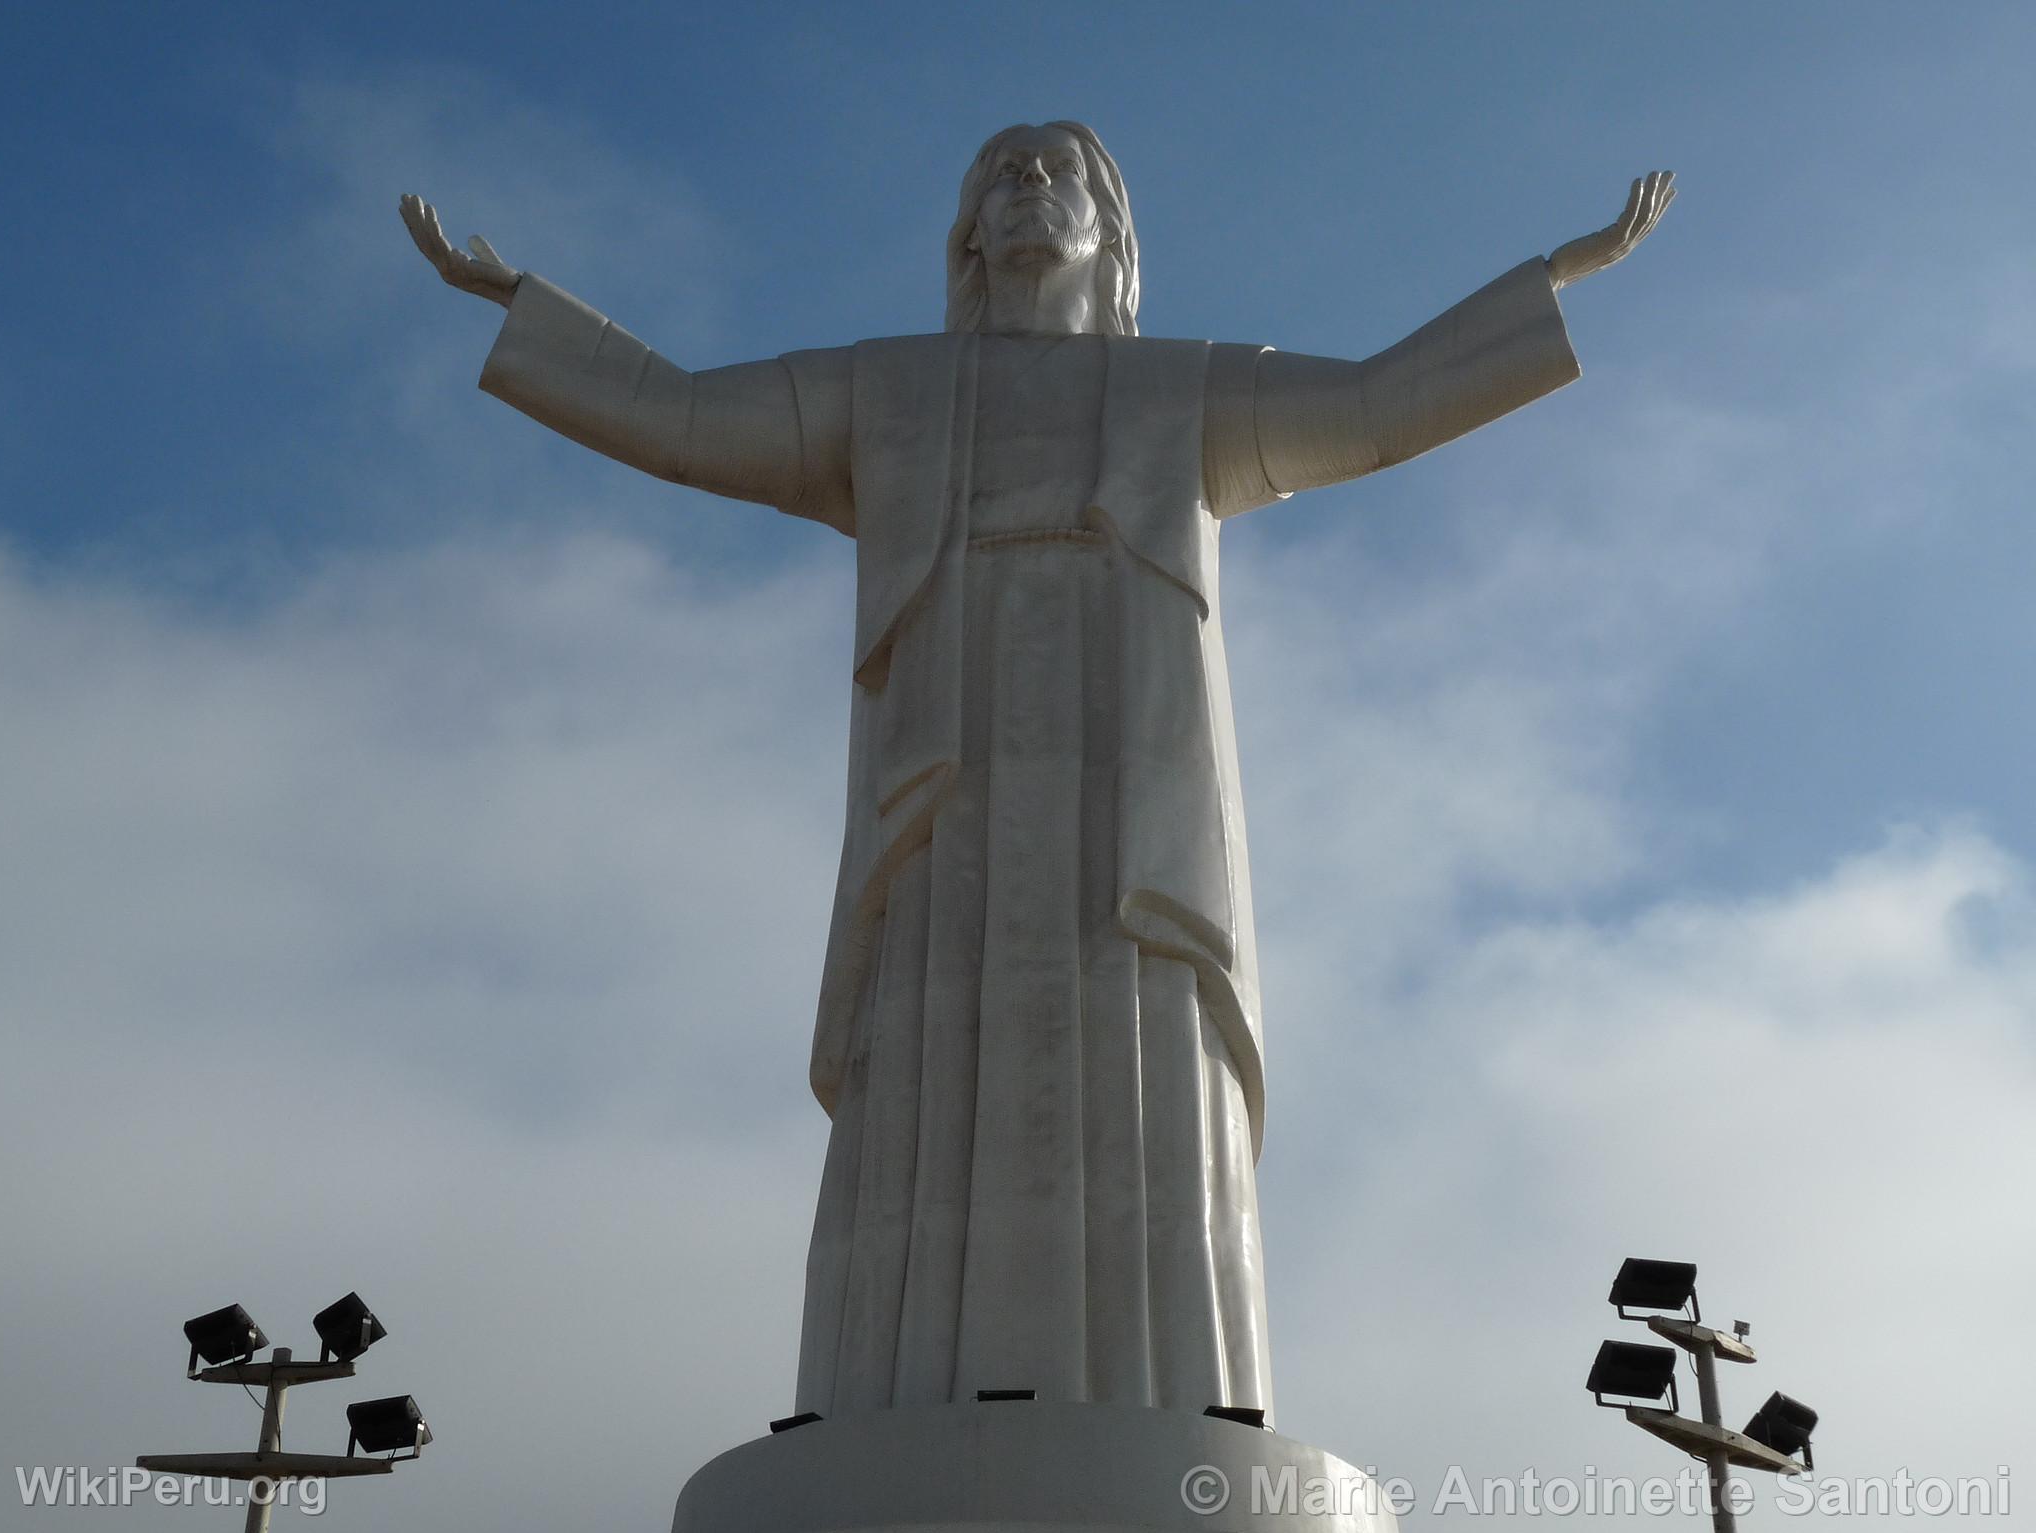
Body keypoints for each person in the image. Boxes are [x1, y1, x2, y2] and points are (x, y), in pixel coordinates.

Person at [402, 121, 1673, 1422]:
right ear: (964, 235)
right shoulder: (887, 392)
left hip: (1132, 773)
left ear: (1114, 233)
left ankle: (1167, 1392)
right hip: (946, 776)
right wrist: (525, 307)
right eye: (998, 174)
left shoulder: (1184, 391)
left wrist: (1551, 281)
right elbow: (679, 416)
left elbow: (1371, 405)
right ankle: (895, 1396)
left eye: (1059, 172)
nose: (1025, 188)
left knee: (1135, 1014)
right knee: (930, 1038)